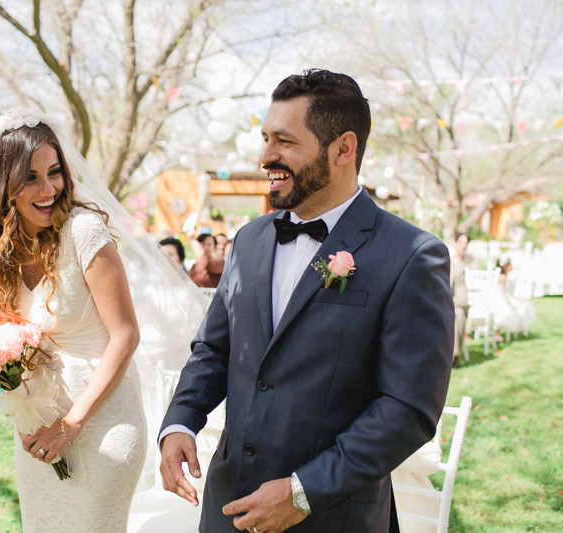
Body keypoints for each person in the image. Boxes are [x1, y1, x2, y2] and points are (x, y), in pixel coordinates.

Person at [159, 69, 454, 533]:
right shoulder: (250, 238)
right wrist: (180, 422)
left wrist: (302, 491)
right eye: (265, 138)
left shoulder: (413, 256)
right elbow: (214, 349)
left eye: (284, 141)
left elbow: (407, 409)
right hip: (227, 505)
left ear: (343, 148)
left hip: (333, 517)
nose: (266, 157)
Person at [0, 109, 153, 532]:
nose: (48, 188)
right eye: (30, 177)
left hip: (103, 420)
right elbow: (8, 342)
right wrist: (26, 415)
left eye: (54, 172)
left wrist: (68, 427)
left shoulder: (85, 231)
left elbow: (125, 336)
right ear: (2, 185)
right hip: (38, 426)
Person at [491, 258, 536, 340]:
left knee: (521, 308)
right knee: (517, 308)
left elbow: (514, 268)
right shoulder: (502, 277)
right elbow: (503, 292)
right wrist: (508, 301)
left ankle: (520, 328)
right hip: (502, 297)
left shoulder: (502, 274)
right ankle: (518, 329)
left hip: (505, 296)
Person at [450, 233, 470, 367]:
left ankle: (453, 356)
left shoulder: (471, 262)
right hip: (453, 300)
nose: (464, 245)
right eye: (461, 242)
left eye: (466, 243)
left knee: (459, 313)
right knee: (457, 314)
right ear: (455, 243)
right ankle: (453, 356)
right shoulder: (450, 261)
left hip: (467, 300)